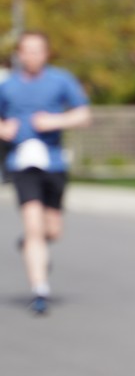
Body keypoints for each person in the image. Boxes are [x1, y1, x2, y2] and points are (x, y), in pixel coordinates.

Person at [0, 31, 91, 315]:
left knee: (52, 230)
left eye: (37, 50)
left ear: (46, 53)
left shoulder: (61, 81)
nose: (32, 55)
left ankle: (31, 244)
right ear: (19, 54)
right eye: (27, 50)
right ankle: (40, 290)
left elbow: (83, 115)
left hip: (53, 163)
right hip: (22, 163)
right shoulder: (8, 86)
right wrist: (4, 129)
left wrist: (55, 120)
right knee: (33, 227)